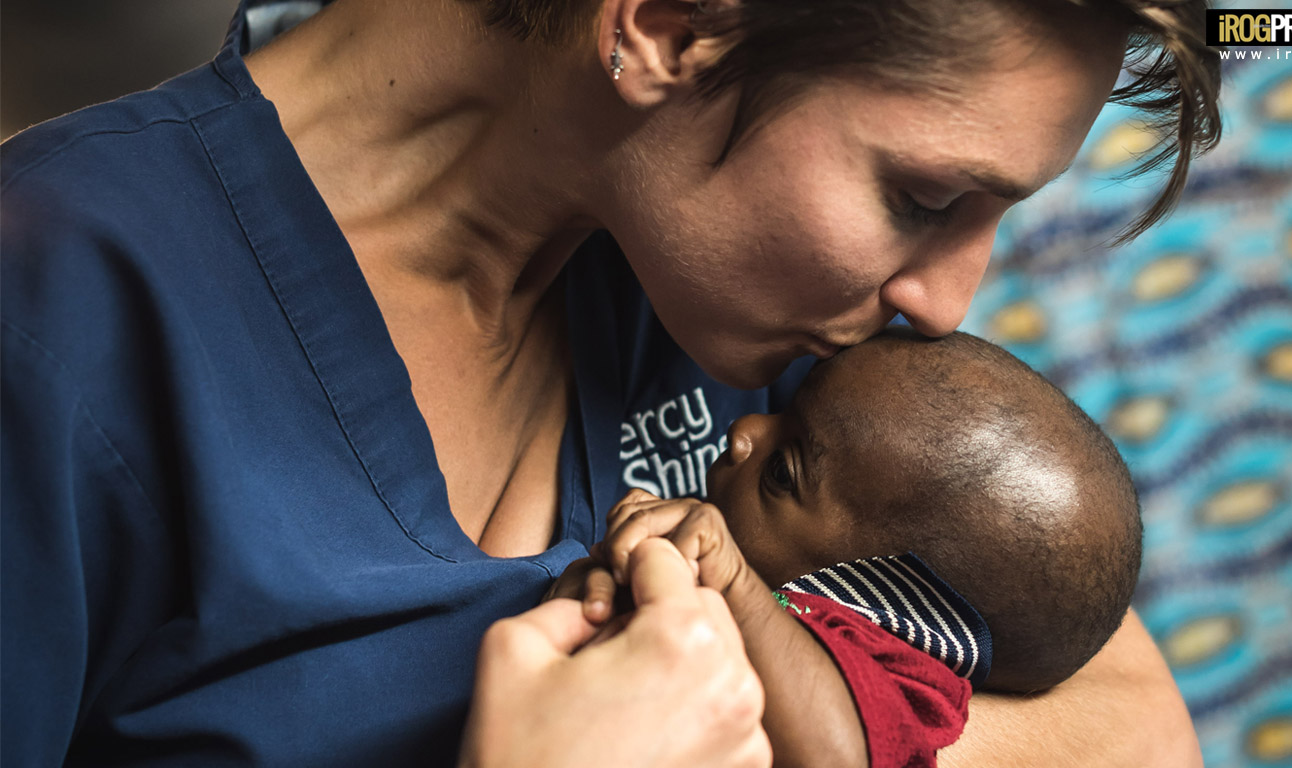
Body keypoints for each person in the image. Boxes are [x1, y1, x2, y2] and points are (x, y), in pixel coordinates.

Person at [0, 0, 1218, 765]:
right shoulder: (63, 316)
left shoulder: (730, 295)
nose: (946, 305)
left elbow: (1129, 721)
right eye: (925, 200)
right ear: (670, 27)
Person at [549, 328, 1144, 767]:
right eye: (782, 414)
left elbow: (836, 756)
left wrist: (731, 583)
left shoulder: (903, 680)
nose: (743, 432)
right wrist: (603, 590)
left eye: (782, 471)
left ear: (882, 596)